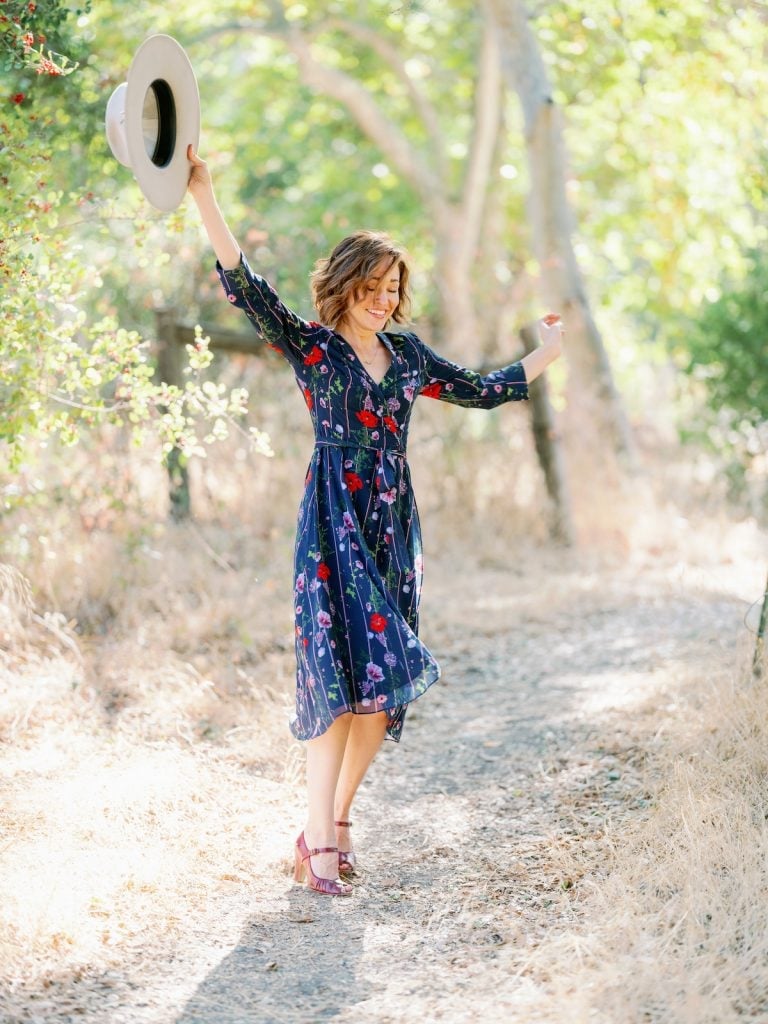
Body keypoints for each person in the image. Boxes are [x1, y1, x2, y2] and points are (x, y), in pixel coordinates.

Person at [186, 145, 563, 896]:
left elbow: (483, 389)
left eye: (394, 288)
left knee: (381, 690)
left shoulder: (410, 355)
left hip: (392, 528)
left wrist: (546, 350)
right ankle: (322, 843)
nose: (385, 299)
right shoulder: (315, 349)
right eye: (374, 285)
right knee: (336, 686)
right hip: (332, 524)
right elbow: (247, 289)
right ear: (347, 284)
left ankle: (333, 826)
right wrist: (205, 194)